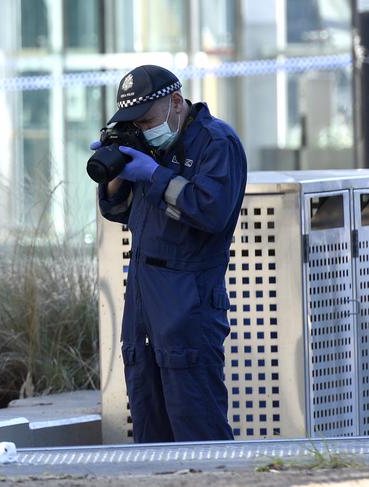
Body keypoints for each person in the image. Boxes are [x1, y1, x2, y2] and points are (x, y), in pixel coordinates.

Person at [94, 65, 247, 443]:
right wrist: (114, 172)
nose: (144, 130)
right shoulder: (150, 147)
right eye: (136, 124)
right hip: (144, 301)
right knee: (149, 428)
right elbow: (118, 212)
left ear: (176, 102)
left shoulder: (216, 143)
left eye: (147, 120)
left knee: (197, 423)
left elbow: (210, 211)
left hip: (188, 301)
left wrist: (154, 175)